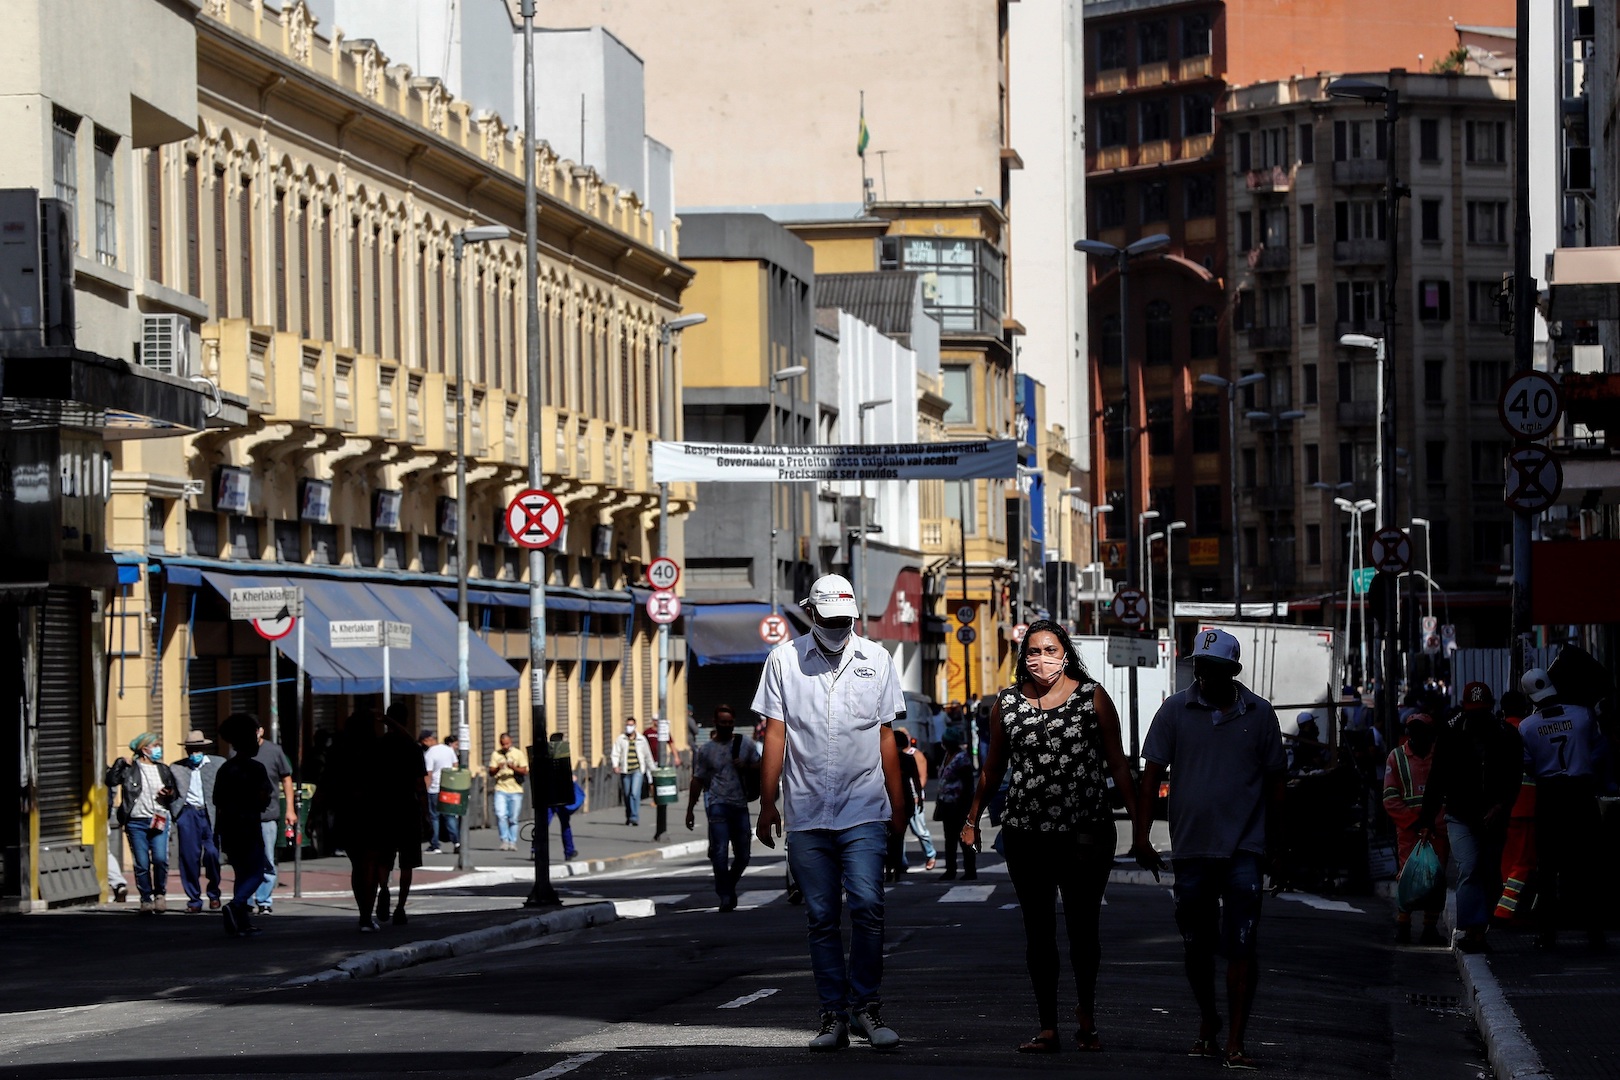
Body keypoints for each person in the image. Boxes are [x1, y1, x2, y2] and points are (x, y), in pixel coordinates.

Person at [964, 619, 1139, 1055]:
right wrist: (971, 819)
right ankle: (1047, 1026)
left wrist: (1141, 828)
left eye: (1050, 650)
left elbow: (1118, 765)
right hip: (1026, 834)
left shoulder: (1092, 697)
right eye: (1033, 652)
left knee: (1083, 931)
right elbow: (993, 767)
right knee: (1038, 932)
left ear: (1066, 653)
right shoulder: (1006, 703)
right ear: (1024, 658)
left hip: (1085, 834)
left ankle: (1086, 1015)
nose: (1041, 660)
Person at [753, 573, 906, 1052]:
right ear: (811, 614)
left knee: (867, 906)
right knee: (821, 916)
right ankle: (832, 1014)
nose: (838, 628)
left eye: (845, 620)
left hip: (864, 806)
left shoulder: (877, 659)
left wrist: (899, 807)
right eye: (829, 619)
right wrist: (767, 801)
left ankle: (867, 1005)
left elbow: (886, 737)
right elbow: (775, 733)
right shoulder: (784, 660)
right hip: (807, 810)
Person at [1133, 628, 1287, 1071]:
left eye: (1216, 669)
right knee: (1196, 946)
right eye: (1200, 667)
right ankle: (1208, 1018)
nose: (1206, 676)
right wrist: (1141, 836)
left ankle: (1235, 1040)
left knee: (1242, 944)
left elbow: (1277, 784)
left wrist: (1279, 848)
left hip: (1245, 848)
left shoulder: (1259, 715)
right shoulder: (1174, 712)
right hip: (1192, 849)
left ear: (1232, 672)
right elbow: (1151, 776)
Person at [1416, 681, 1522, 953]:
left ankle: (1479, 928)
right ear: (1464, 710)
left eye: (1483, 712)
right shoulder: (1451, 735)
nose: (1478, 718)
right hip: (1460, 815)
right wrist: (1427, 821)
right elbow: (1437, 778)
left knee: (1489, 872)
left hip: (1493, 816)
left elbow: (1514, 776)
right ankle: (1473, 928)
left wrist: (1501, 805)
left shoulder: (1505, 736)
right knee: (1469, 867)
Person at [1517, 668, 1607, 951]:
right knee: (1588, 864)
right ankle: (1595, 933)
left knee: (1548, 868)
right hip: (1581, 794)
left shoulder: (1527, 727)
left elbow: (1528, 764)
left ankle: (1548, 935)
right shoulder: (1583, 714)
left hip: (1550, 796)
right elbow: (1599, 747)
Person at [686, 704, 760, 912]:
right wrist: (690, 809)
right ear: (715, 723)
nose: (727, 726)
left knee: (743, 855)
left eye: (730, 722)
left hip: (740, 805)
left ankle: (728, 884)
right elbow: (698, 779)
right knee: (719, 852)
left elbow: (762, 765)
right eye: (723, 722)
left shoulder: (745, 744)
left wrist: (746, 766)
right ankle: (725, 895)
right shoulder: (707, 749)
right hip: (717, 805)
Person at [1382, 712, 1447, 945]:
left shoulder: (1440, 756)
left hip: (1437, 829)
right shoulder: (1396, 758)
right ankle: (1404, 924)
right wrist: (1414, 822)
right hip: (1411, 831)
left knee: (1436, 878)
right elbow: (1390, 798)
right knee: (1407, 877)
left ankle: (1429, 928)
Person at [328, 708, 391, 931]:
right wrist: (388, 720)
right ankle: (367, 911)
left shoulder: (338, 750)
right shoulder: (379, 748)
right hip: (374, 812)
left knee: (358, 865)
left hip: (348, 813)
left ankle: (364, 912)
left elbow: (327, 781)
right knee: (371, 864)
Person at [213, 713, 273, 938]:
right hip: (248, 825)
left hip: (229, 827)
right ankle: (236, 905)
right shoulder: (256, 769)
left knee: (241, 873)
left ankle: (242, 922)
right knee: (258, 871)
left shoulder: (225, 769)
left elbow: (217, 800)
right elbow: (263, 797)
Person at [105, 732, 178, 914]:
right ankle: (146, 898)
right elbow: (111, 780)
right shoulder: (130, 769)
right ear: (144, 749)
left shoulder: (163, 769)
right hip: (136, 821)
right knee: (142, 863)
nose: (158, 749)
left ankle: (160, 893)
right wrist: (120, 763)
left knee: (160, 859)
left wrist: (169, 793)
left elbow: (174, 792)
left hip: (159, 819)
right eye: (155, 746)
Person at [377, 703, 428, 924]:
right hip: (408, 808)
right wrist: (426, 813)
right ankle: (400, 907)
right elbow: (420, 784)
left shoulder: (378, 747)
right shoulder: (413, 748)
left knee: (383, 858)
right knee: (407, 862)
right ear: (406, 720)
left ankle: (384, 888)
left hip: (384, 807)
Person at [1493, 690, 1538, 925]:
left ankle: (1504, 906)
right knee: (1523, 862)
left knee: (1507, 862)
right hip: (1528, 805)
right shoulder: (1530, 729)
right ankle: (1507, 911)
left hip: (1502, 807)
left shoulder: (1496, 732)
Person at [170, 729, 223, 914]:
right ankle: (194, 898)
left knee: (212, 854)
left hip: (210, 814)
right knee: (189, 858)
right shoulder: (176, 768)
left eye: (197, 750)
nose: (194, 754)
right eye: (191, 750)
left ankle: (214, 892)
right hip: (188, 814)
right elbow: (172, 791)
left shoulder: (218, 764)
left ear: (204, 749)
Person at [251, 721, 296, 916]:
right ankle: (244, 899)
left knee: (267, 859)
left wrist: (290, 810)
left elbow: (286, 778)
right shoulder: (237, 752)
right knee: (246, 859)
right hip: (244, 816)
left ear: (261, 730)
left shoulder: (274, 751)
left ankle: (264, 900)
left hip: (268, 815)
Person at [931, 733, 976, 881]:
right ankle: (951, 870)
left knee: (963, 839)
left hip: (959, 805)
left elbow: (968, 782)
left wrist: (966, 804)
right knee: (949, 840)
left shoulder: (961, 758)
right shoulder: (947, 756)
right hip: (947, 804)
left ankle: (970, 870)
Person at [897, 728, 936, 871]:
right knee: (899, 832)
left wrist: (917, 796)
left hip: (912, 797)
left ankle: (930, 854)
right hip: (899, 799)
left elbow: (921, 777)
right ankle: (900, 862)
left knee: (919, 830)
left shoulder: (915, 755)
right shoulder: (895, 756)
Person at [489, 732, 529, 850]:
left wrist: (513, 768)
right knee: (501, 815)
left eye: (507, 744)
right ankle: (504, 840)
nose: (505, 746)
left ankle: (513, 841)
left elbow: (524, 770)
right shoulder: (496, 754)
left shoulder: (518, 753)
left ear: (511, 742)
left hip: (516, 790)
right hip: (501, 788)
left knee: (513, 818)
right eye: (503, 744)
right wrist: (498, 768)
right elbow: (491, 771)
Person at [422, 729, 459, 854]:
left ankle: (435, 845)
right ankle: (457, 842)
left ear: (427, 741)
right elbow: (455, 765)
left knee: (434, 817)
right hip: (448, 788)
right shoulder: (448, 750)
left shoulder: (429, 754)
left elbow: (429, 774)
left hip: (435, 789)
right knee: (450, 816)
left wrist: (425, 790)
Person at [611, 719, 653, 826]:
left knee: (634, 793)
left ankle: (634, 817)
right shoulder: (621, 739)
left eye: (631, 725)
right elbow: (615, 753)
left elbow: (647, 755)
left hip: (637, 770)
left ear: (635, 726)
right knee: (627, 794)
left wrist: (653, 770)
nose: (628, 727)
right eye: (627, 725)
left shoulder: (641, 740)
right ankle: (629, 814)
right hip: (625, 770)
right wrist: (615, 765)